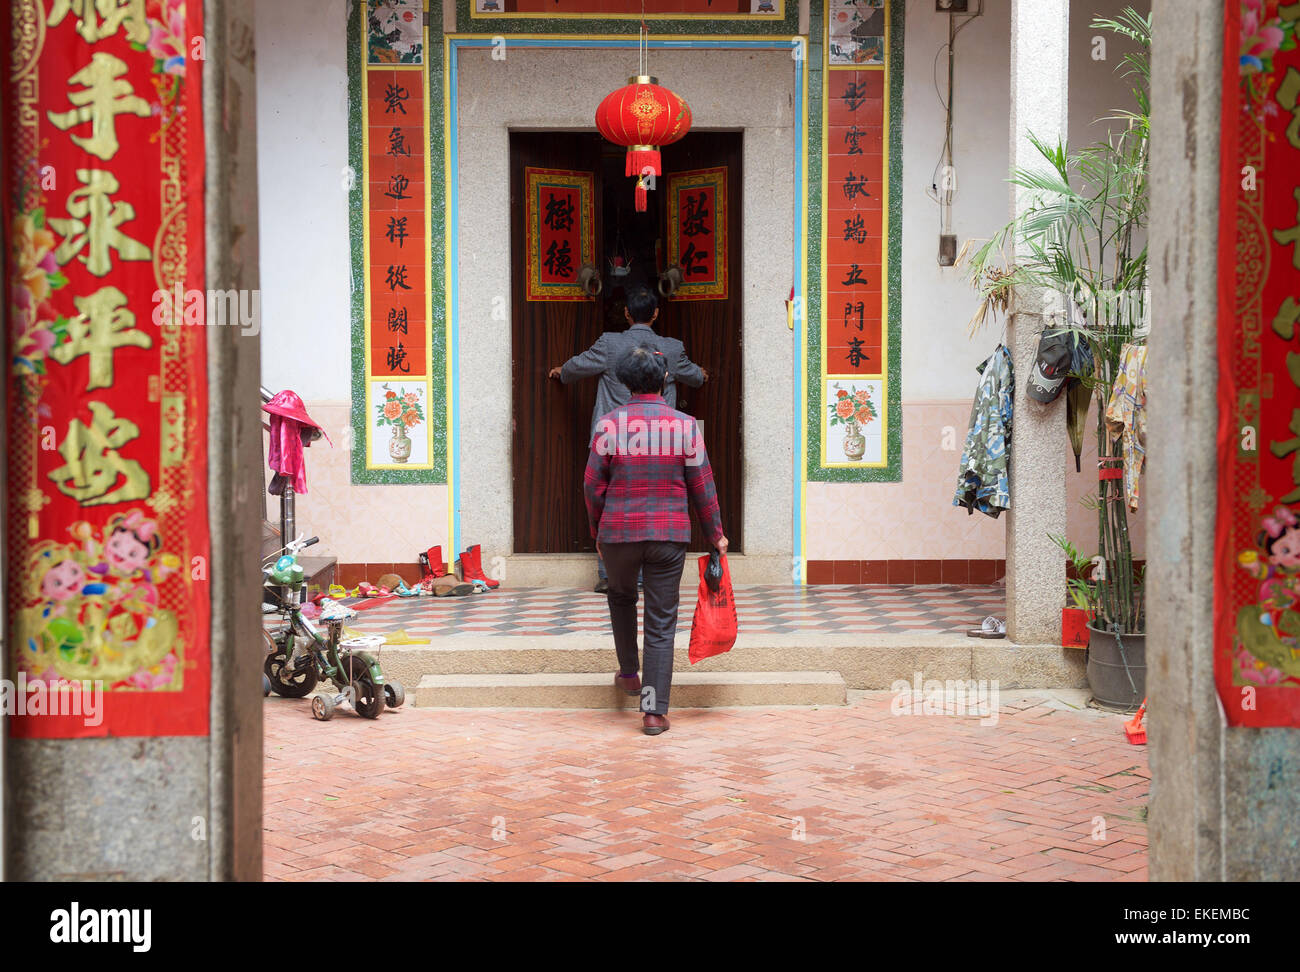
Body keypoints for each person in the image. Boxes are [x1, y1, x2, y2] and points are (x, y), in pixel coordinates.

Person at [583, 345, 728, 736]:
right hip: (669, 535)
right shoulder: (684, 427)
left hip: (618, 533)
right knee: (661, 621)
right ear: (665, 379)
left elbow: (593, 485)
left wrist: (598, 532)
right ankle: (653, 711)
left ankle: (629, 673)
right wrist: (716, 533)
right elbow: (703, 484)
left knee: (621, 597)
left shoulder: (608, 426)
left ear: (625, 381)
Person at [550, 287, 708, 592]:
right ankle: (654, 573)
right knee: (657, 498)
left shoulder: (610, 344)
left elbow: (576, 366)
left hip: (615, 440)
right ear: (656, 313)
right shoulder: (671, 349)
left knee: (610, 498)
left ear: (626, 313)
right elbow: (694, 376)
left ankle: (611, 574)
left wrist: (560, 372)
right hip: (660, 440)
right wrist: (702, 374)